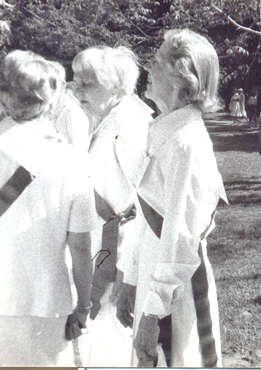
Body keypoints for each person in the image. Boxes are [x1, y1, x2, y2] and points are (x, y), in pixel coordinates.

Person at [116, 28, 227, 367]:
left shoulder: (186, 141)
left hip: (175, 289)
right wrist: (131, 280)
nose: (148, 68)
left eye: (157, 61)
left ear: (183, 76)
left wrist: (154, 311)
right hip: (153, 279)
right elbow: (146, 216)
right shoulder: (165, 130)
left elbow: (180, 237)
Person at [0, 50, 97, 366]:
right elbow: (80, 246)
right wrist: (84, 305)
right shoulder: (74, 161)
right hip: (49, 304)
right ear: (51, 100)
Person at [72, 45, 153, 367]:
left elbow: (146, 205)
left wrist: (127, 275)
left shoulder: (127, 124)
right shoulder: (108, 118)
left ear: (117, 85)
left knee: (114, 347)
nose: (76, 87)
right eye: (76, 78)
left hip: (121, 253)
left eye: (88, 81)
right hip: (104, 248)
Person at [49, 61, 90, 151]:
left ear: (63, 85)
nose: (47, 91)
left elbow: (79, 155)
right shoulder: (47, 108)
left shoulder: (72, 114)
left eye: (52, 85)